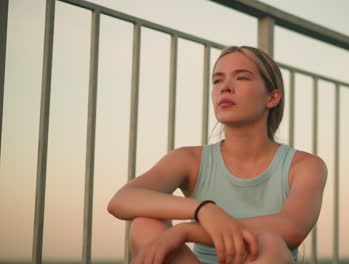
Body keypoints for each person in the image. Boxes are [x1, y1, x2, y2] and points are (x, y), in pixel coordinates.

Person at [107, 46, 327, 264]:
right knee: (145, 224)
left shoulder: (305, 165)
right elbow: (122, 200)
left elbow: (292, 228)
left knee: (271, 243)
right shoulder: (189, 159)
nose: (225, 88)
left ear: (272, 98)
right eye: (217, 80)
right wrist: (203, 209)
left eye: (241, 78)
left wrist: (186, 231)